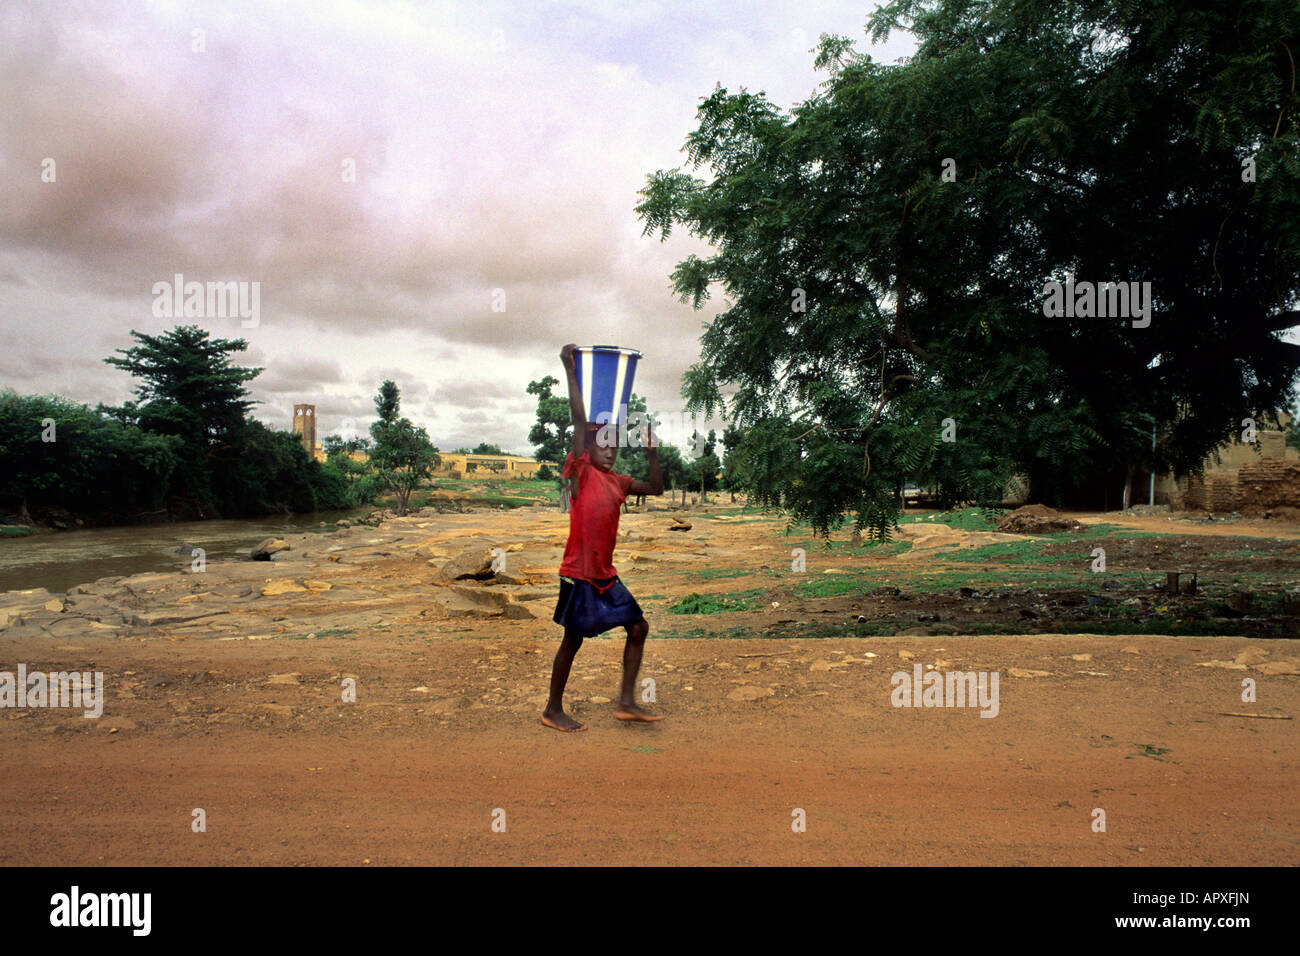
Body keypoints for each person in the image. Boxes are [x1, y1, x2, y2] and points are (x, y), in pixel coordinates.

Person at [542, 343, 664, 732]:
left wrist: (652, 452)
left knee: (638, 627)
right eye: (602, 445)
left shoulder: (619, 482)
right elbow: (580, 422)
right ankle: (552, 710)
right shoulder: (581, 473)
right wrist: (569, 369)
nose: (609, 451)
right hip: (579, 573)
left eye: (614, 445)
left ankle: (626, 701)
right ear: (588, 449)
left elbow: (657, 488)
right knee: (572, 641)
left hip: (605, 574)